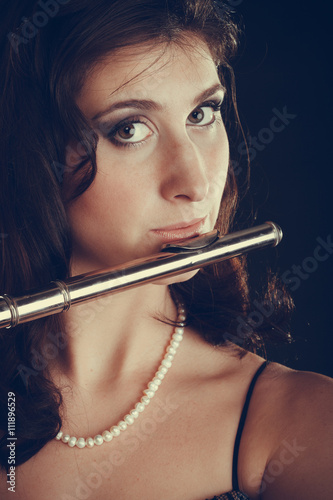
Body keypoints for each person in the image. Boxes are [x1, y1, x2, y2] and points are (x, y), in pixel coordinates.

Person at [0, 1, 332, 499]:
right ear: (32, 159)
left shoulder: (297, 421)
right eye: (129, 129)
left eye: (202, 114)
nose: (196, 181)